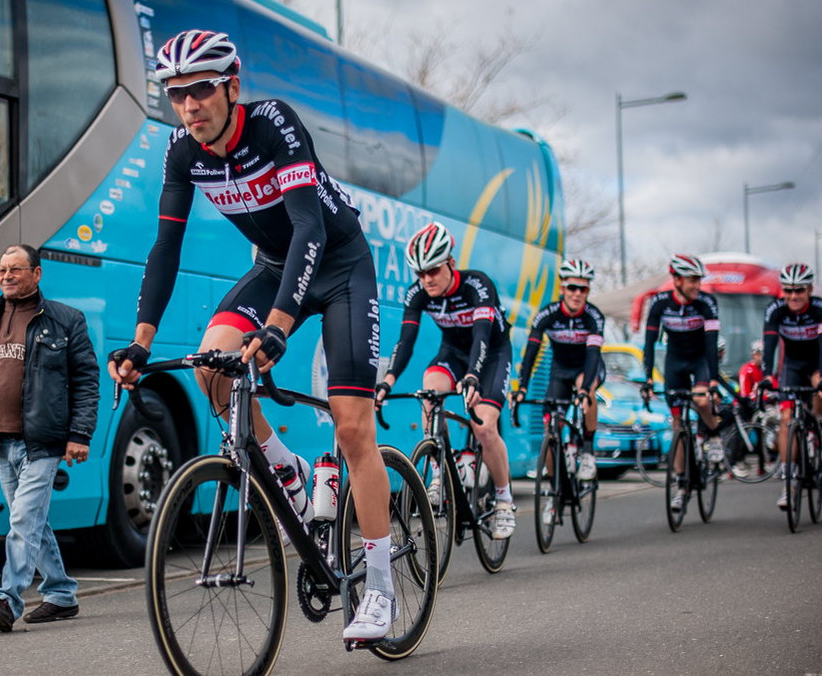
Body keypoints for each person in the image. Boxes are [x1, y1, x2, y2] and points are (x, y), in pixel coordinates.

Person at [107, 30, 396, 642]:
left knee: (351, 426)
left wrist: (278, 328)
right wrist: (139, 341)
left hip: (339, 265)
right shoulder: (182, 152)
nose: (190, 105)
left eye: (202, 90)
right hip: (273, 267)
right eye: (177, 93)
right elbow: (166, 247)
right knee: (212, 363)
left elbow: (307, 225)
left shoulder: (273, 125)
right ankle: (287, 471)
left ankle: (381, 590)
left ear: (232, 87)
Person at [0, 244, 99, 633]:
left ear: (37, 273)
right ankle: (61, 593)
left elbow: (86, 381)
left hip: (43, 443)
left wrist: (79, 434)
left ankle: (7, 600)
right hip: (2, 443)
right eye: (1, 270)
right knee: (31, 522)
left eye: (15, 269)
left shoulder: (65, 320)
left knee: (24, 520)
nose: (6, 276)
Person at [375, 222, 517, 539]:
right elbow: (406, 340)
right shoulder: (418, 293)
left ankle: (505, 500)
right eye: (420, 273)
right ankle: (440, 470)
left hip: (491, 354)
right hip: (452, 352)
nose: (426, 280)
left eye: (433, 271)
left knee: (483, 426)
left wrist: (472, 378)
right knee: (430, 391)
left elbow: (482, 337)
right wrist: (387, 381)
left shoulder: (478, 285)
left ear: (451, 263)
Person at [759, 262, 822, 509]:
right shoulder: (775, 309)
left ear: (809, 290)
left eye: (799, 290)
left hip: (816, 361)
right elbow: (769, 345)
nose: (793, 296)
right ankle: (788, 483)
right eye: (788, 290)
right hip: (792, 366)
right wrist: (767, 376)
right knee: (787, 419)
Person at [640, 254, 723, 513]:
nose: (697, 285)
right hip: (675, 361)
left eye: (699, 279)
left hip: (700, 360)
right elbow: (649, 343)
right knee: (677, 425)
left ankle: (714, 436)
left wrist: (711, 380)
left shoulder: (707, 303)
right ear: (676, 279)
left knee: (700, 399)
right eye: (692, 280)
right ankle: (680, 485)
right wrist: (648, 378)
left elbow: (711, 345)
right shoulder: (659, 303)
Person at [512, 258, 605, 481]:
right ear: (562, 288)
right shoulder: (548, 314)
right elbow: (531, 353)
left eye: (582, 288)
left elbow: (593, 356)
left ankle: (588, 451)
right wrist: (522, 387)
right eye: (572, 287)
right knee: (550, 429)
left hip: (587, 368)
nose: (577, 293)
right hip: (560, 371)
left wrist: (584, 390)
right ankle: (555, 493)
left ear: (588, 291)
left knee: (587, 389)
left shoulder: (594, 316)